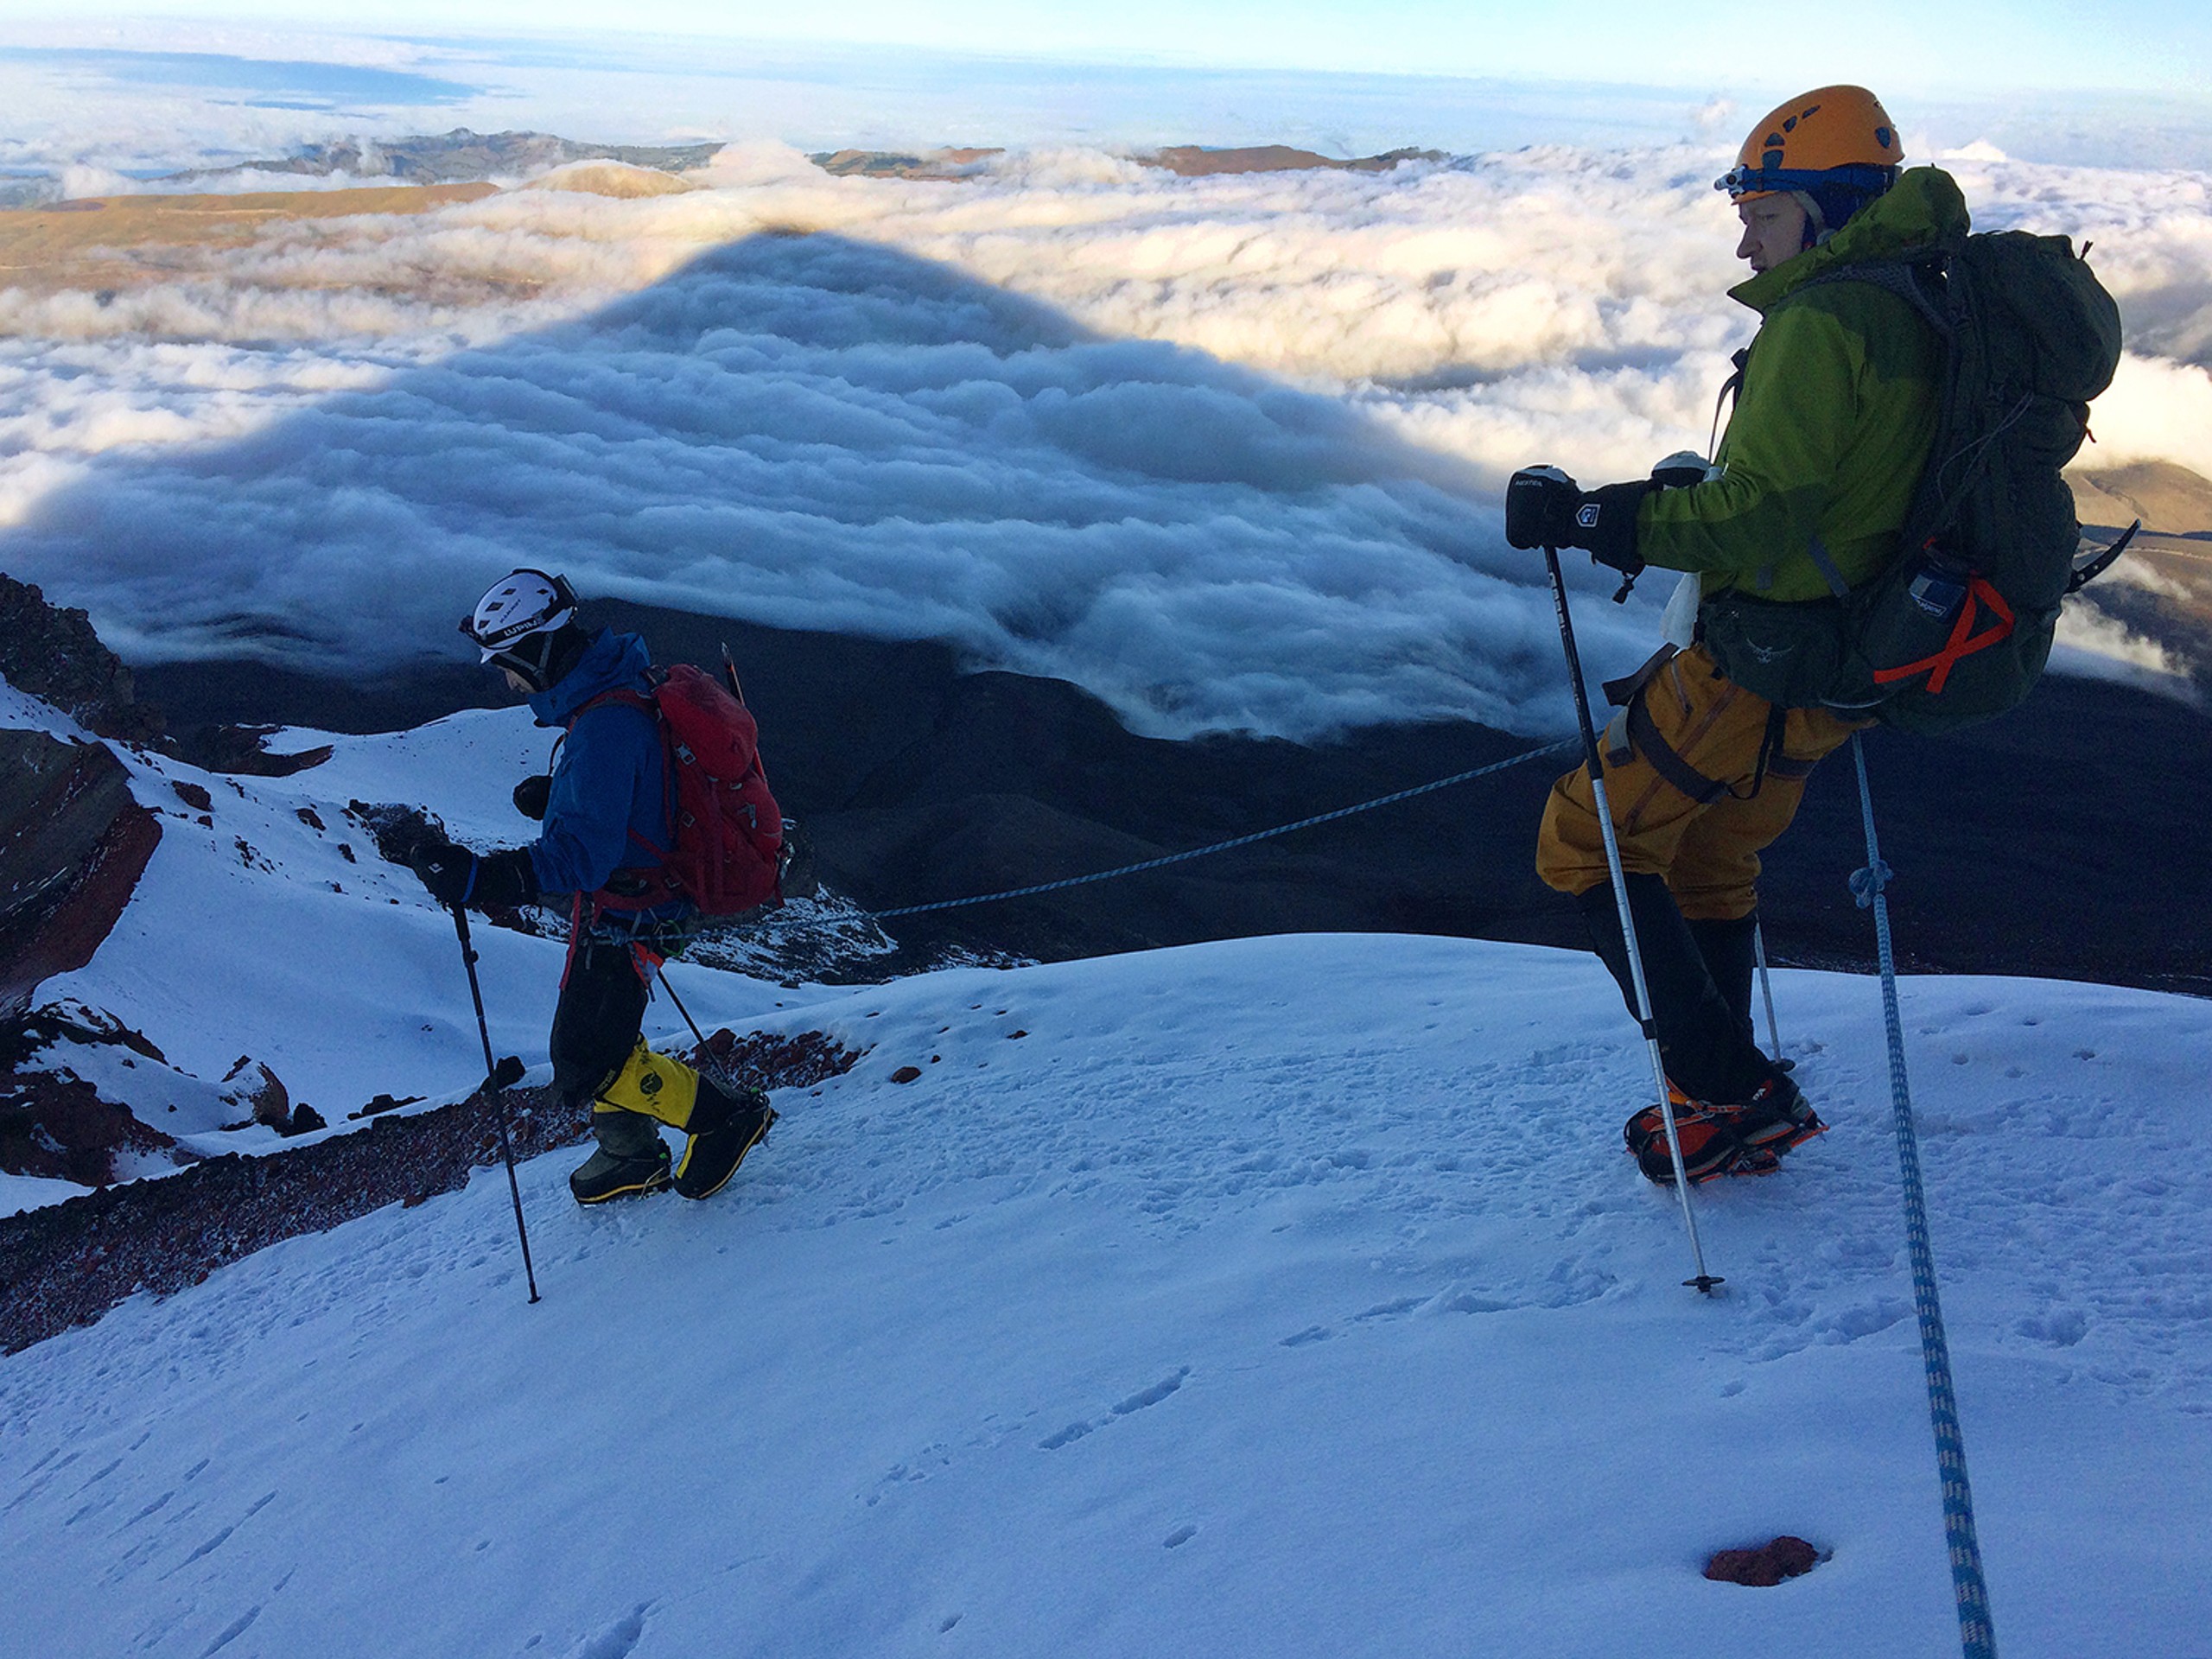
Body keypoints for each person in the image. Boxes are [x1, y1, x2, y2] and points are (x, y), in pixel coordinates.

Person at [1503, 86, 1969, 1180]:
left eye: (1762, 209)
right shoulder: (1918, 303)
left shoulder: (1824, 321)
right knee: (1709, 857)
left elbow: (1762, 512)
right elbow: (1833, 489)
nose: (1744, 232)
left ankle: (1724, 1091)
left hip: (1758, 656)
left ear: (1824, 210)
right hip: (1847, 659)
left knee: (1587, 842)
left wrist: (1591, 516)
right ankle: (1723, 1106)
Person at [410, 569, 777, 1205]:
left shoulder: (603, 728)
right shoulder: (619, 690)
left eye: (506, 663)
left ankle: (722, 1116)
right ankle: (626, 1153)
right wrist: (563, 800)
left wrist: (479, 877)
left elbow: (581, 858)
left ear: (537, 652)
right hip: (647, 892)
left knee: (585, 1056)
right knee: (603, 1027)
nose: (506, 680)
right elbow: (643, 787)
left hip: (639, 906)